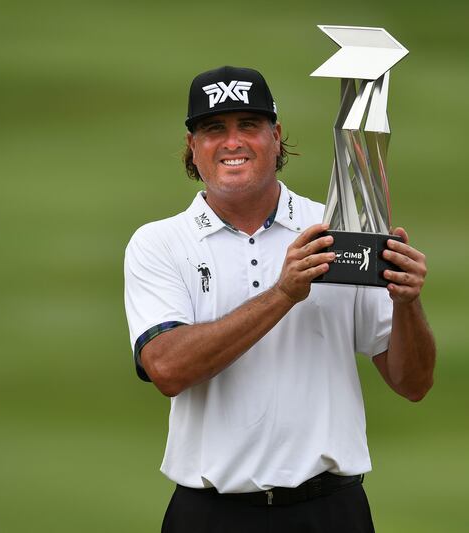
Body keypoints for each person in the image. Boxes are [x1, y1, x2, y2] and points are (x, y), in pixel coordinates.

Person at [124, 65, 435, 533]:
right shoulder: (160, 243)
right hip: (210, 514)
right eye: (214, 129)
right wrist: (284, 294)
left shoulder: (339, 233)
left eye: (248, 125)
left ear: (276, 136)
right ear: (193, 146)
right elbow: (167, 369)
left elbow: (412, 383)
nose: (232, 142)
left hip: (330, 511)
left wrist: (408, 304)